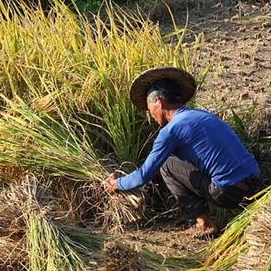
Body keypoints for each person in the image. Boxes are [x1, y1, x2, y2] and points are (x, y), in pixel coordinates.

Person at [102, 67, 261, 235]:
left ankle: (204, 223)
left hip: (229, 193)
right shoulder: (202, 116)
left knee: (166, 164)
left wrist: (117, 184)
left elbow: (143, 175)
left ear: (159, 102)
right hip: (256, 183)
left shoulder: (171, 130)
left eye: (150, 110)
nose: (152, 116)